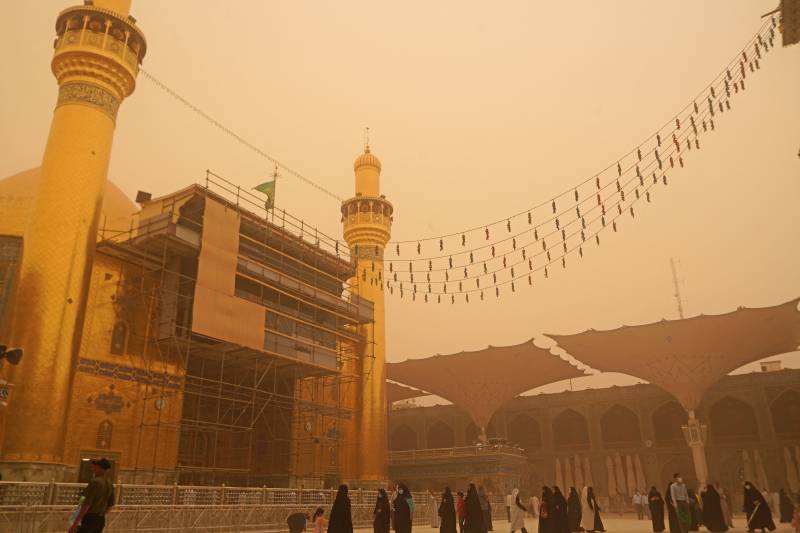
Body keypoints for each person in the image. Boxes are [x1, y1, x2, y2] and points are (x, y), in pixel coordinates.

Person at [68, 458, 115, 533]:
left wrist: (76, 522)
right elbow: (110, 505)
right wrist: (100, 514)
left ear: (99, 468)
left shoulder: (95, 482)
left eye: (95, 466)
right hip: (101, 520)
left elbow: (87, 504)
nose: (93, 468)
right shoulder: (109, 484)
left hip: (89, 519)